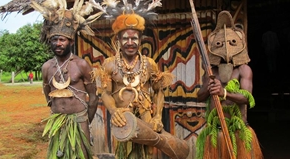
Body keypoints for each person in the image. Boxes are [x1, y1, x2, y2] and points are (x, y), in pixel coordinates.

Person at [92, 1, 189, 159]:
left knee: (146, 155)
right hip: (123, 121)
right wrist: (114, 111)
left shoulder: (149, 64)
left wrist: (157, 116)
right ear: (118, 40)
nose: (130, 42)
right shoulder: (109, 64)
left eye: (134, 38)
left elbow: (159, 91)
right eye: (125, 39)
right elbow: (106, 93)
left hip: (146, 120)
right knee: (123, 154)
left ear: (140, 40)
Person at [30, 0, 103, 158]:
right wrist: (55, 109)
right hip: (57, 121)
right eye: (54, 40)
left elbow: (93, 97)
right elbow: (47, 91)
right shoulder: (47, 67)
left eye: (62, 40)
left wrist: (85, 119)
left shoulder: (81, 64)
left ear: (70, 41)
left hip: (79, 120)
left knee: (81, 154)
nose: (58, 43)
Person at [196, 11, 263, 159]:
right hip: (216, 131)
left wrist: (224, 93)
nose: (225, 47)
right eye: (219, 44)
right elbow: (200, 97)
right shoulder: (211, 71)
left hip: (238, 131)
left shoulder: (244, 70)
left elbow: (247, 98)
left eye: (231, 42)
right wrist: (209, 88)